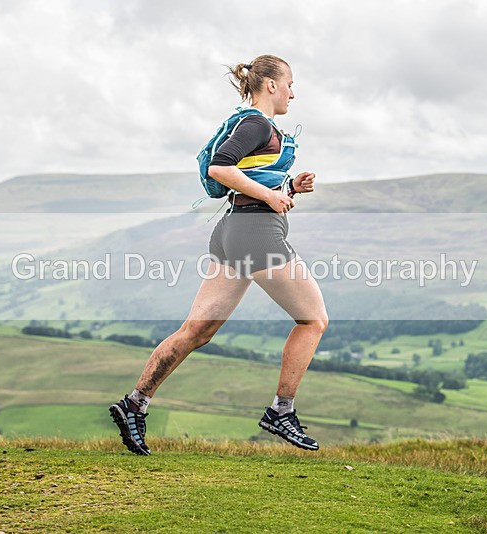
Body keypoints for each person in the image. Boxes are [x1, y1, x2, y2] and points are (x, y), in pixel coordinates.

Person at [110, 54, 328, 455]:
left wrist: (289, 187)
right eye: (291, 84)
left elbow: (247, 176)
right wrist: (271, 197)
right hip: (256, 233)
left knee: (198, 330)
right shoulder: (256, 122)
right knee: (313, 320)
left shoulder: (258, 125)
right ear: (272, 86)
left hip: (233, 230)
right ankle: (282, 411)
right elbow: (219, 167)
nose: (294, 93)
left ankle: (134, 404)